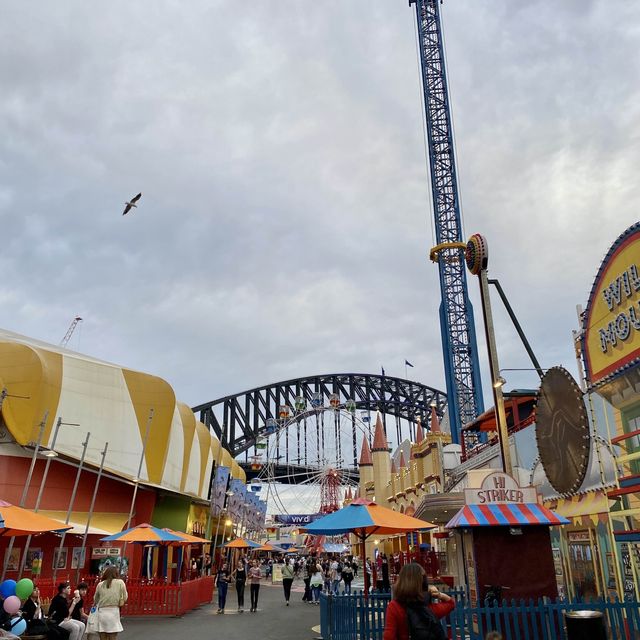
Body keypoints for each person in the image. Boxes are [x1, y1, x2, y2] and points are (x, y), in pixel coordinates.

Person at [382, 564, 454, 640]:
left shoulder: (394, 607)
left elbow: (389, 636)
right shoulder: (428, 608)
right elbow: (451, 603)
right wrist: (439, 595)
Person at [93, 565, 128, 640]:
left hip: (102, 612)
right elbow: (125, 596)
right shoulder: (120, 583)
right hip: (113, 611)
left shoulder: (100, 584)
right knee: (112, 636)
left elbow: (95, 599)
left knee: (102, 635)